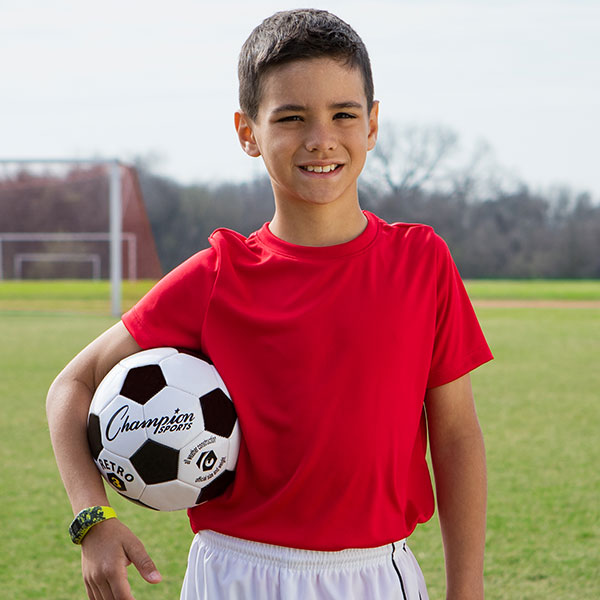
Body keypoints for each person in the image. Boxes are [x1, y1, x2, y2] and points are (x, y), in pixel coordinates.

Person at [47, 8, 492, 600]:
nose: (320, 138)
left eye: (343, 114)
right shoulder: (217, 275)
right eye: (290, 117)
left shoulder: (421, 262)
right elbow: (69, 388)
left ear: (373, 124)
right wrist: (91, 521)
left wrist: (468, 591)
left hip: (374, 575)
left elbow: (457, 435)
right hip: (233, 573)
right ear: (247, 133)